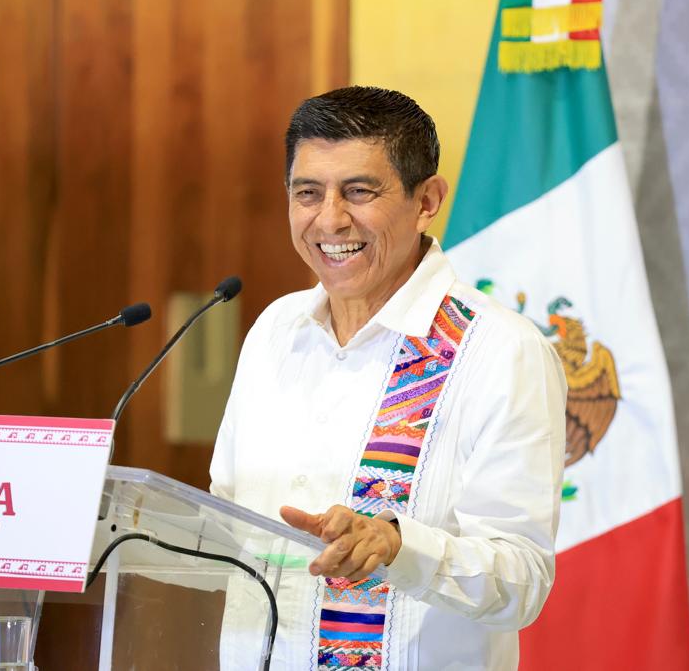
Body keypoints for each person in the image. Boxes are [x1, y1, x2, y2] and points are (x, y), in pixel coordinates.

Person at [210, 85, 567, 670]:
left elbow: (521, 581)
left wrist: (400, 547)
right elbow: (227, 514)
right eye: (307, 193)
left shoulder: (501, 350)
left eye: (359, 191)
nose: (330, 219)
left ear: (427, 200)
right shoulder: (277, 329)